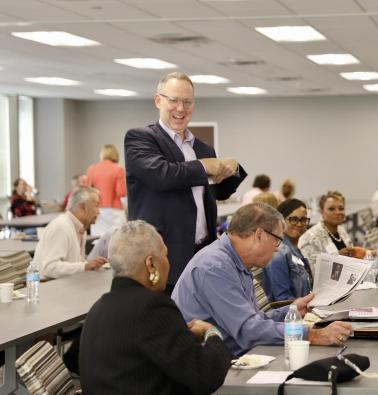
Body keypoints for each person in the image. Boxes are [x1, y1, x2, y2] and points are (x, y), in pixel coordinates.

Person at [172, 203, 352, 356]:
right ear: (259, 235)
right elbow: (249, 330)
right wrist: (313, 335)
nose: (276, 249)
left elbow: (253, 319)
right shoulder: (215, 267)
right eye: (278, 240)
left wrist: (292, 310)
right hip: (212, 367)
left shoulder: (236, 260)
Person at [125, 72, 246, 293]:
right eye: (174, 100)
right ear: (158, 100)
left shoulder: (202, 148)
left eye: (187, 102)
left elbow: (217, 192)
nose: (180, 108)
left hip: (202, 253)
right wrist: (204, 166)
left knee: (197, 324)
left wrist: (232, 168)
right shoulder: (140, 138)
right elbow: (161, 175)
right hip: (162, 258)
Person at [79, 220, 232, 394]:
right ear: (151, 264)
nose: (168, 263)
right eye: (165, 255)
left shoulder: (97, 310)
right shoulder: (151, 307)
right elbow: (207, 376)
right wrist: (211, 333)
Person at [33, 187, 108, 279]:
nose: (99, 212)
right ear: (83, 207)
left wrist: (87, 265)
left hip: (66, 284)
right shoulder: (61, 227)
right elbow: (49, 268)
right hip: (48, 287)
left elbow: (74, 264)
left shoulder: (80, 227)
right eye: (96, 206)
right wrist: (84, 266)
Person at [298, 190, 365, 272]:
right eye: (331, 209)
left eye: (341, 208)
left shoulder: (341, 231)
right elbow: (310, 272)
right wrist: (337, 257)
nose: (337, 212)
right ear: (322, 211)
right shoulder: (309, 239)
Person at [262, 199, 313, 301]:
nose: (299, 224)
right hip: (292, 314)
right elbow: (282, 299)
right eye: (293, 219)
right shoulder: (277, 253)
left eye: (303, 220)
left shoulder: (294, 248)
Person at [86, 144, 127, 236]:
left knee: (97, 240)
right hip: (115, 211)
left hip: (97, 209)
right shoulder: (118, 169)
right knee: (116, 240)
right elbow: (121, 192)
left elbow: (87, 191)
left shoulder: (91, 169)